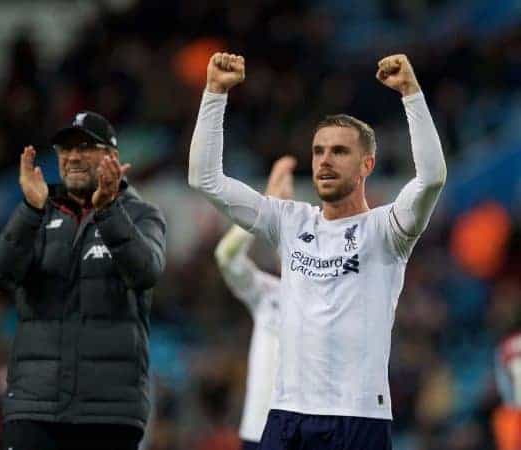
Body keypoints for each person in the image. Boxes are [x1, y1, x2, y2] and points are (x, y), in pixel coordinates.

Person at [189, 52, 446, 449]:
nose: (324, 161)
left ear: (367, 164)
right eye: (318, 151)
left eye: (339, 152)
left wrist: (411, 94)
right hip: (287, 415)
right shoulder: (291, 222)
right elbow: (205, 179)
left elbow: (431, 178)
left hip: (358, 417)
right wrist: (215, 94)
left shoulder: (385, 230)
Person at [0, 111, 166, 450]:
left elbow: (145, 273)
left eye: (85, 148)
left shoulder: (142, 214)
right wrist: (29, 212)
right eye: (66, 149)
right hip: (34, 406)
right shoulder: (38, 211)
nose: (73, 157)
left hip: (109, 412)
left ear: (111, 157)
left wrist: (109, 211)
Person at [215, 156, 296, 450]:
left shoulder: (332, 298)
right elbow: (226, 256)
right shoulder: (268, 293)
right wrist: (265, 208)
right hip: (260, 432)